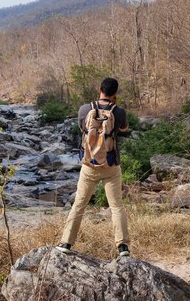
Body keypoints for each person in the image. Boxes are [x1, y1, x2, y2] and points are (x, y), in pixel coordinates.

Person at [56, 77, 131, 257]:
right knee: (116, 206)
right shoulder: (119, 111)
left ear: (99, 90)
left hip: (90, 165)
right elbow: (124, 129)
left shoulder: (84, 109)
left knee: (79, 204)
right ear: (115, 94)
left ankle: (66, 242)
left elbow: (82, 127)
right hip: (111, 165)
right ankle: (123, 247)